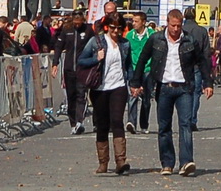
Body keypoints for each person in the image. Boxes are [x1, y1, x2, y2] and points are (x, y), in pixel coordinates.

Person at [137, 9, 213, 175]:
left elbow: (202, 61)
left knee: (185, 124)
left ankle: (186, 162)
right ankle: (167, 163)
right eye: (173, 25)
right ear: (167, 22)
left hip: (184, 87)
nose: (176, 29)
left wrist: (208, 83)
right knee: (164, 127)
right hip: (164, 87)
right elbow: (143, 59)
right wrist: (136, 82)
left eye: (179, 26)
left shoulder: (189, 40)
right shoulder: (156, 39)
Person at [78, 17, 133, 175]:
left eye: (119, 28)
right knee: (102, 124)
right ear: (107, 27)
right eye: (113, 28)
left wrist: (134, 82)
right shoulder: (96, 42)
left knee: (117, 121)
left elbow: (127, 65)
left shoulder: (125, 44)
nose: (116, 31)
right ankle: (103, 162)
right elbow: (81, 60)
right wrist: (96, 58)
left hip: (119, 86)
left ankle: (120, 161)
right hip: (100, 88)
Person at [57, 10, 91, 134]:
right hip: (69, 68)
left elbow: (94, 45)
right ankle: (72, 122)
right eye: (75, 23)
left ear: (83, 20)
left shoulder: (88, 30)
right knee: (71, 96)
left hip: (83, 69)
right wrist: (55, 63)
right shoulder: (66, 30)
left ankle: (79, 121)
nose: (77, 25)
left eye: (79, 23)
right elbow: (59, 46)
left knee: (81, 95)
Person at [124, 12, 155, 135]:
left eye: (136, 21)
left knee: (146, 99)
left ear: (143, 22)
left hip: (148, 70)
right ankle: (131, 122)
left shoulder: (152, 35)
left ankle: (144, 124)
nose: (134, 23)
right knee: (132, 96)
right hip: (134, 69)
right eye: (133, 21)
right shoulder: (129, 35)